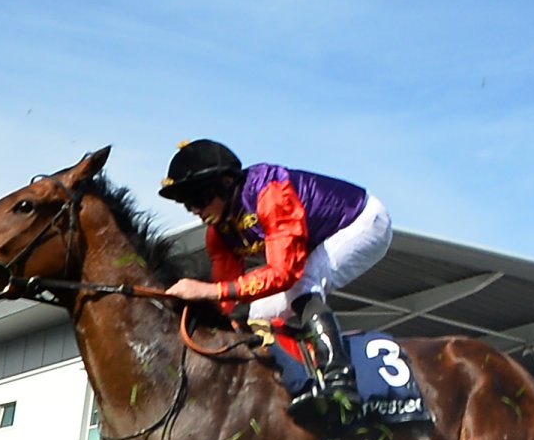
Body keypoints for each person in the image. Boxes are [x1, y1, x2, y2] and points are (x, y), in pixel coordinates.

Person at [160, 139, 392, 421]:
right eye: (186, 204)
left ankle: (340, 382)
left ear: (226, 182)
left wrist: (205, 290)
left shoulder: (271, 194)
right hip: (316, 240)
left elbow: (284, 274)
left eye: (197, 199)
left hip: (363, 221)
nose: (195, 210)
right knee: (259, 311)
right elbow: (227, 299)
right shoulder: (217, 232)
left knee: (303, 285)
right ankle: (293, 382)